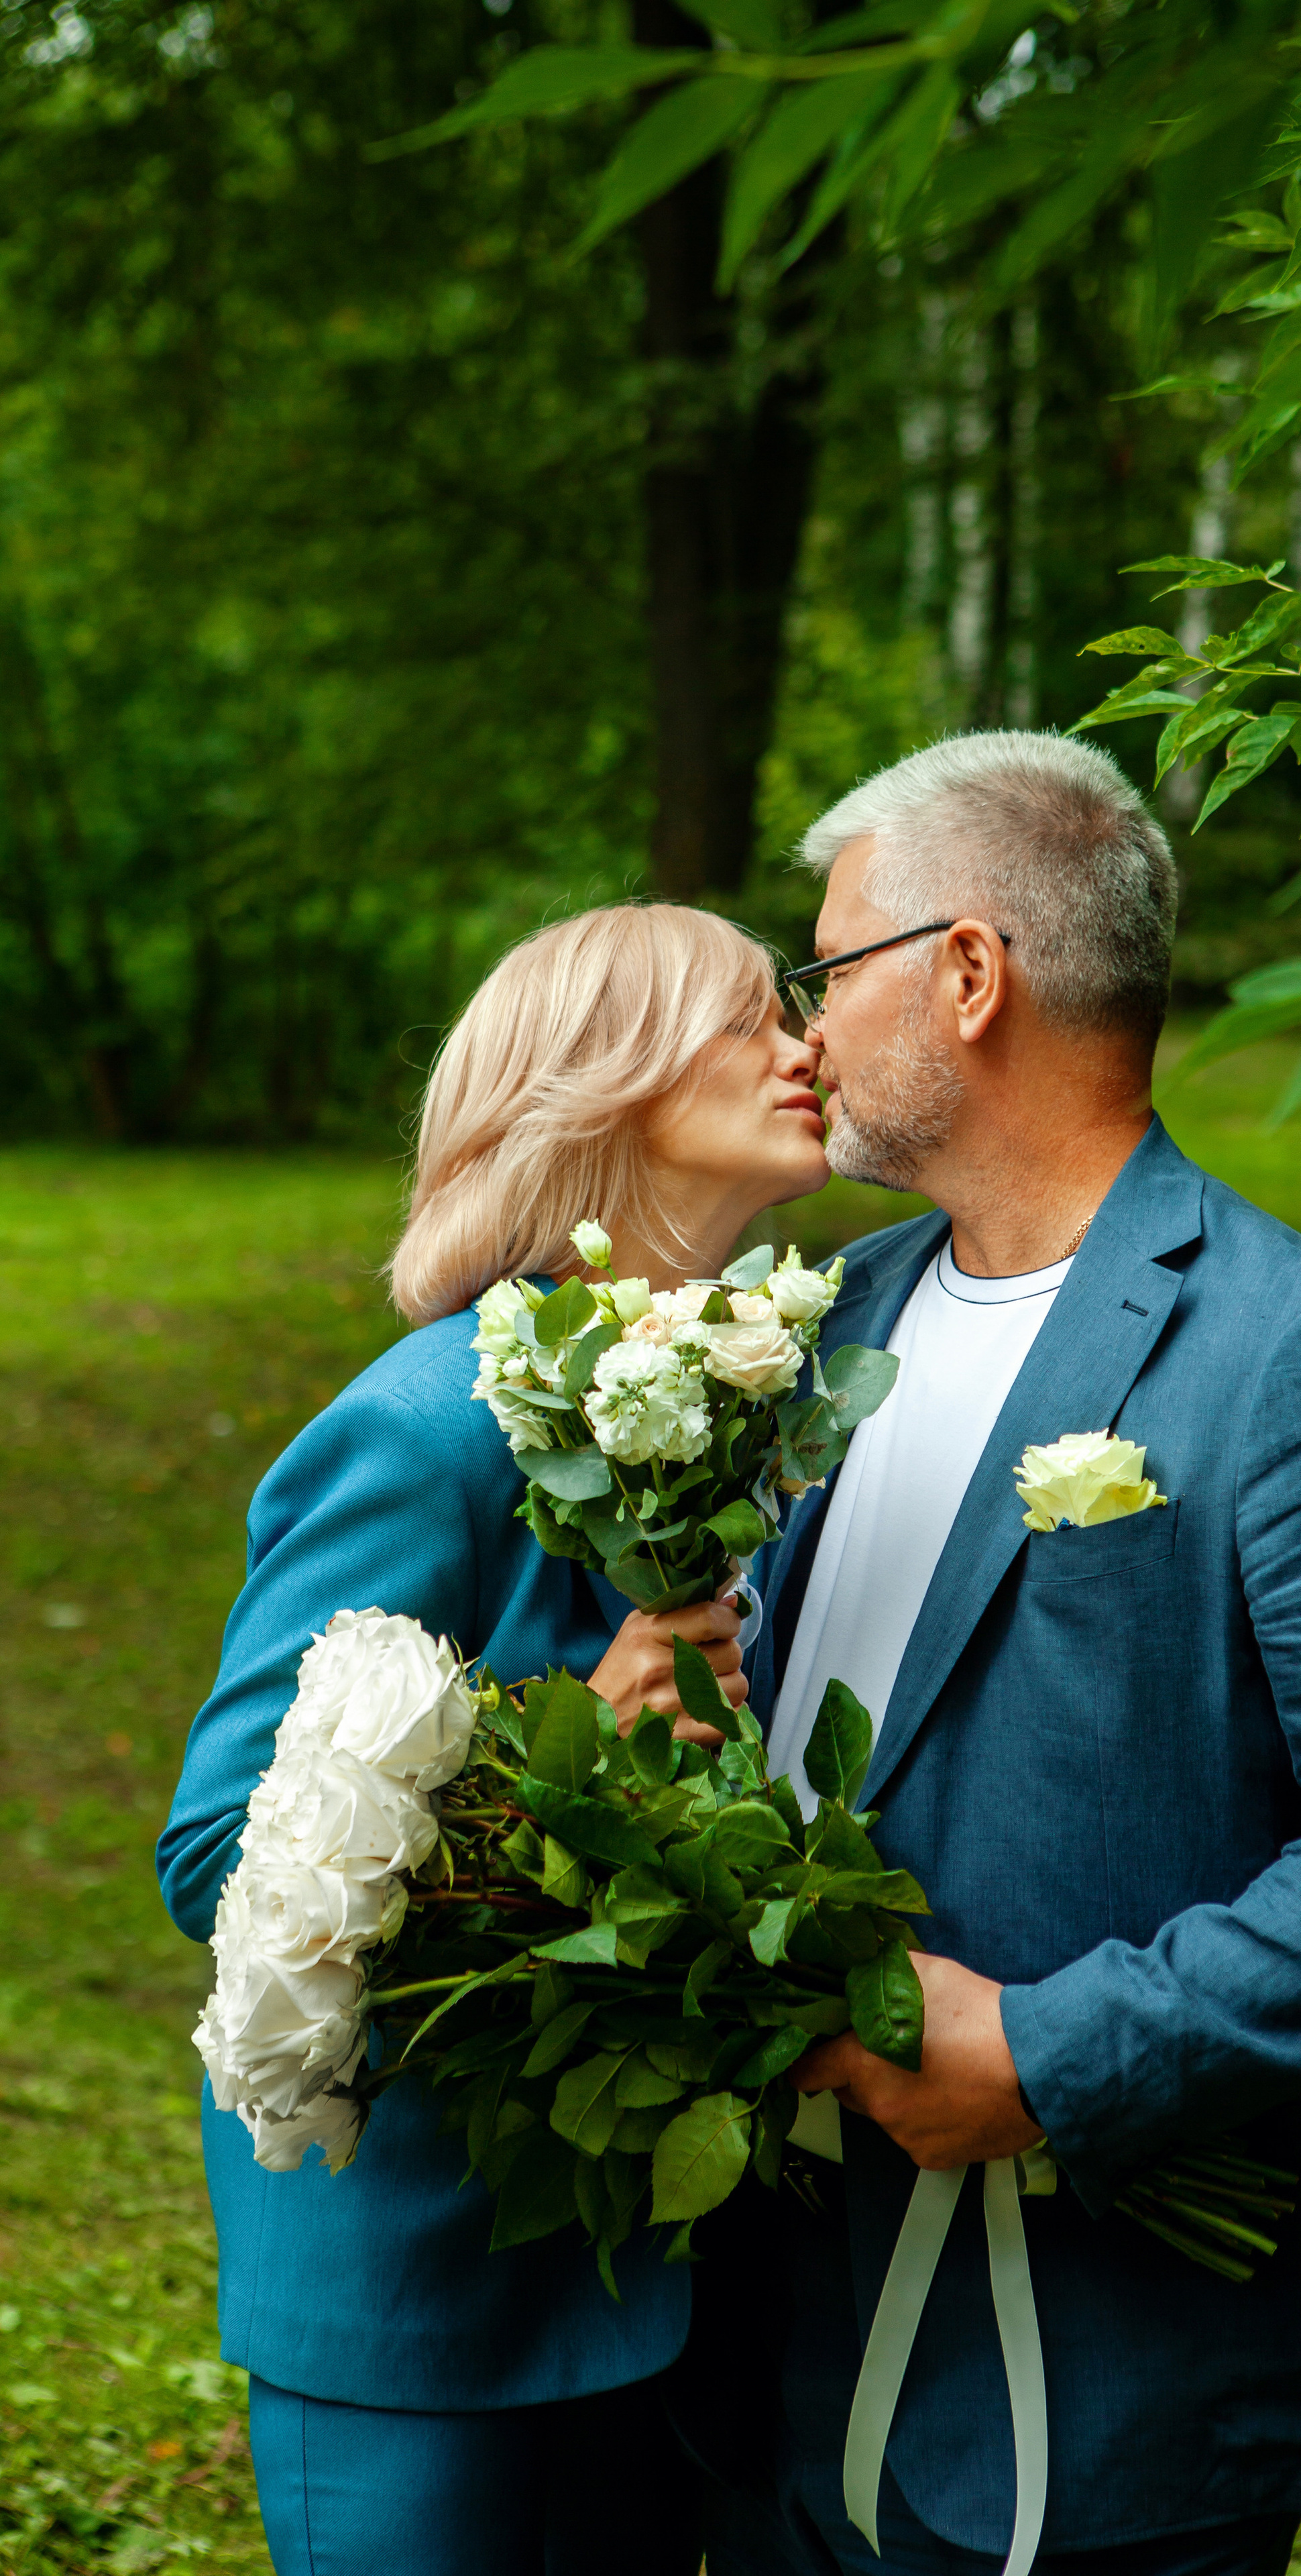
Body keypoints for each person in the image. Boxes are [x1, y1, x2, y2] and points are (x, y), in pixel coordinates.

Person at [740, 732, 1301, 2576]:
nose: (799, 1036)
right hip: (761, 2308)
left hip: (1099, 2353)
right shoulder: (821, 1323)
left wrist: (1054, 2053)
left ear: (968, 975)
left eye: (829, 970)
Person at [157, 903, 831, 2576]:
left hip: (660, 2290)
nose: (805, 1047)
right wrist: (564, 1749)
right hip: (421, 2294)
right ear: (602, 1080)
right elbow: (213, 1863)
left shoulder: (746, 1422)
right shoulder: (419, 1431)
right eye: (752, 1018)